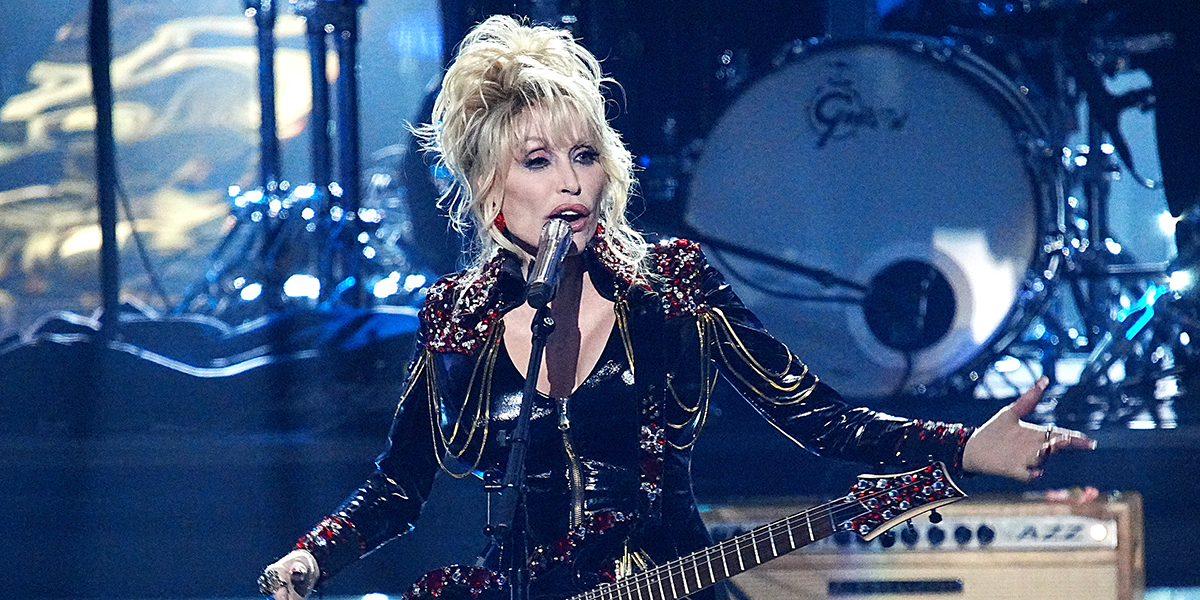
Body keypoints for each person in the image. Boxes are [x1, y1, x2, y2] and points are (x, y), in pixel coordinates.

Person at [257, 15, 1095, 600]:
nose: (569, 180)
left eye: (584, 155)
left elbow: (819, 420)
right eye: (538, 160)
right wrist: (311, 558)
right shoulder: (455, 318)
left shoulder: (675, 287)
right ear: (489, 194)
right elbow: (400, 486)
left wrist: (961, 449)